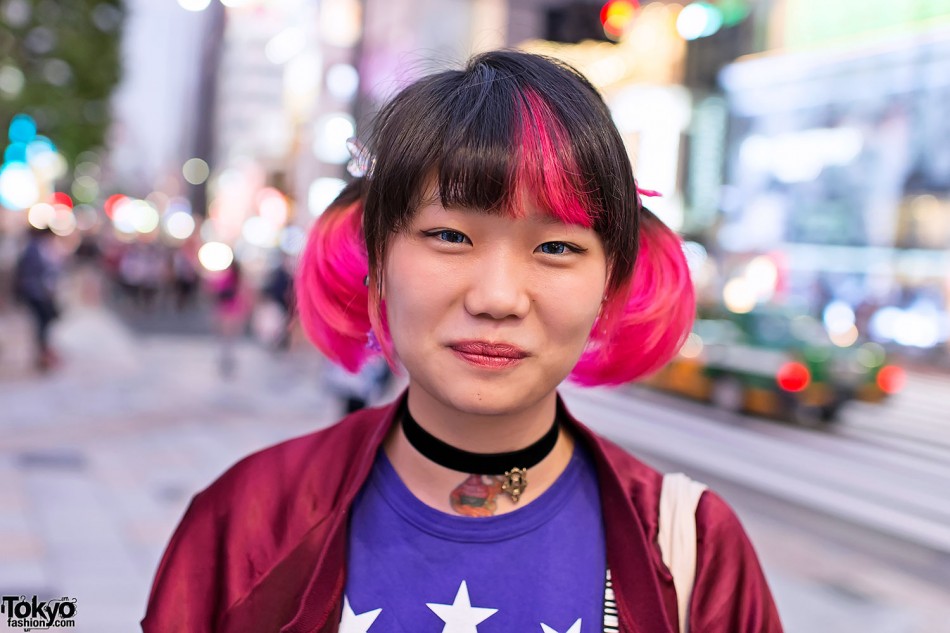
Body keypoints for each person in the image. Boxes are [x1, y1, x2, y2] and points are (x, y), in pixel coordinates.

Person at [142, 50, 782, 632]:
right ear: (377, 263)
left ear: (611, 287)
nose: (498, 298)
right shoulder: (247, 519)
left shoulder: (691, 549)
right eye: (449, 236)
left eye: (556, 248)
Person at [13, 227, 62, 370]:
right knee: (42, 322)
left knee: (44, 322)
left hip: (41, 292)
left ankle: (44, 352)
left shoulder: (41, 248)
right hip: (35, 293)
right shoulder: (33, 249)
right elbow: (30, 273)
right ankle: (42, 354)